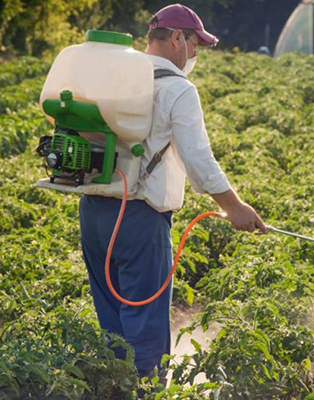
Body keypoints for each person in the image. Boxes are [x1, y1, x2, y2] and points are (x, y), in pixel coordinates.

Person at [78, 3, 266, 382]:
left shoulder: (114, 75)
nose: (196, 55)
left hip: (93, 213)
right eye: (196, 45)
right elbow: (199, 160)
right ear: (178, 38)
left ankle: (114, 387)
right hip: (138, 221)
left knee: (112, 323)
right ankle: (146, 390)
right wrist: (235, 208)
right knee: (144, 324)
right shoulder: (178, 89)